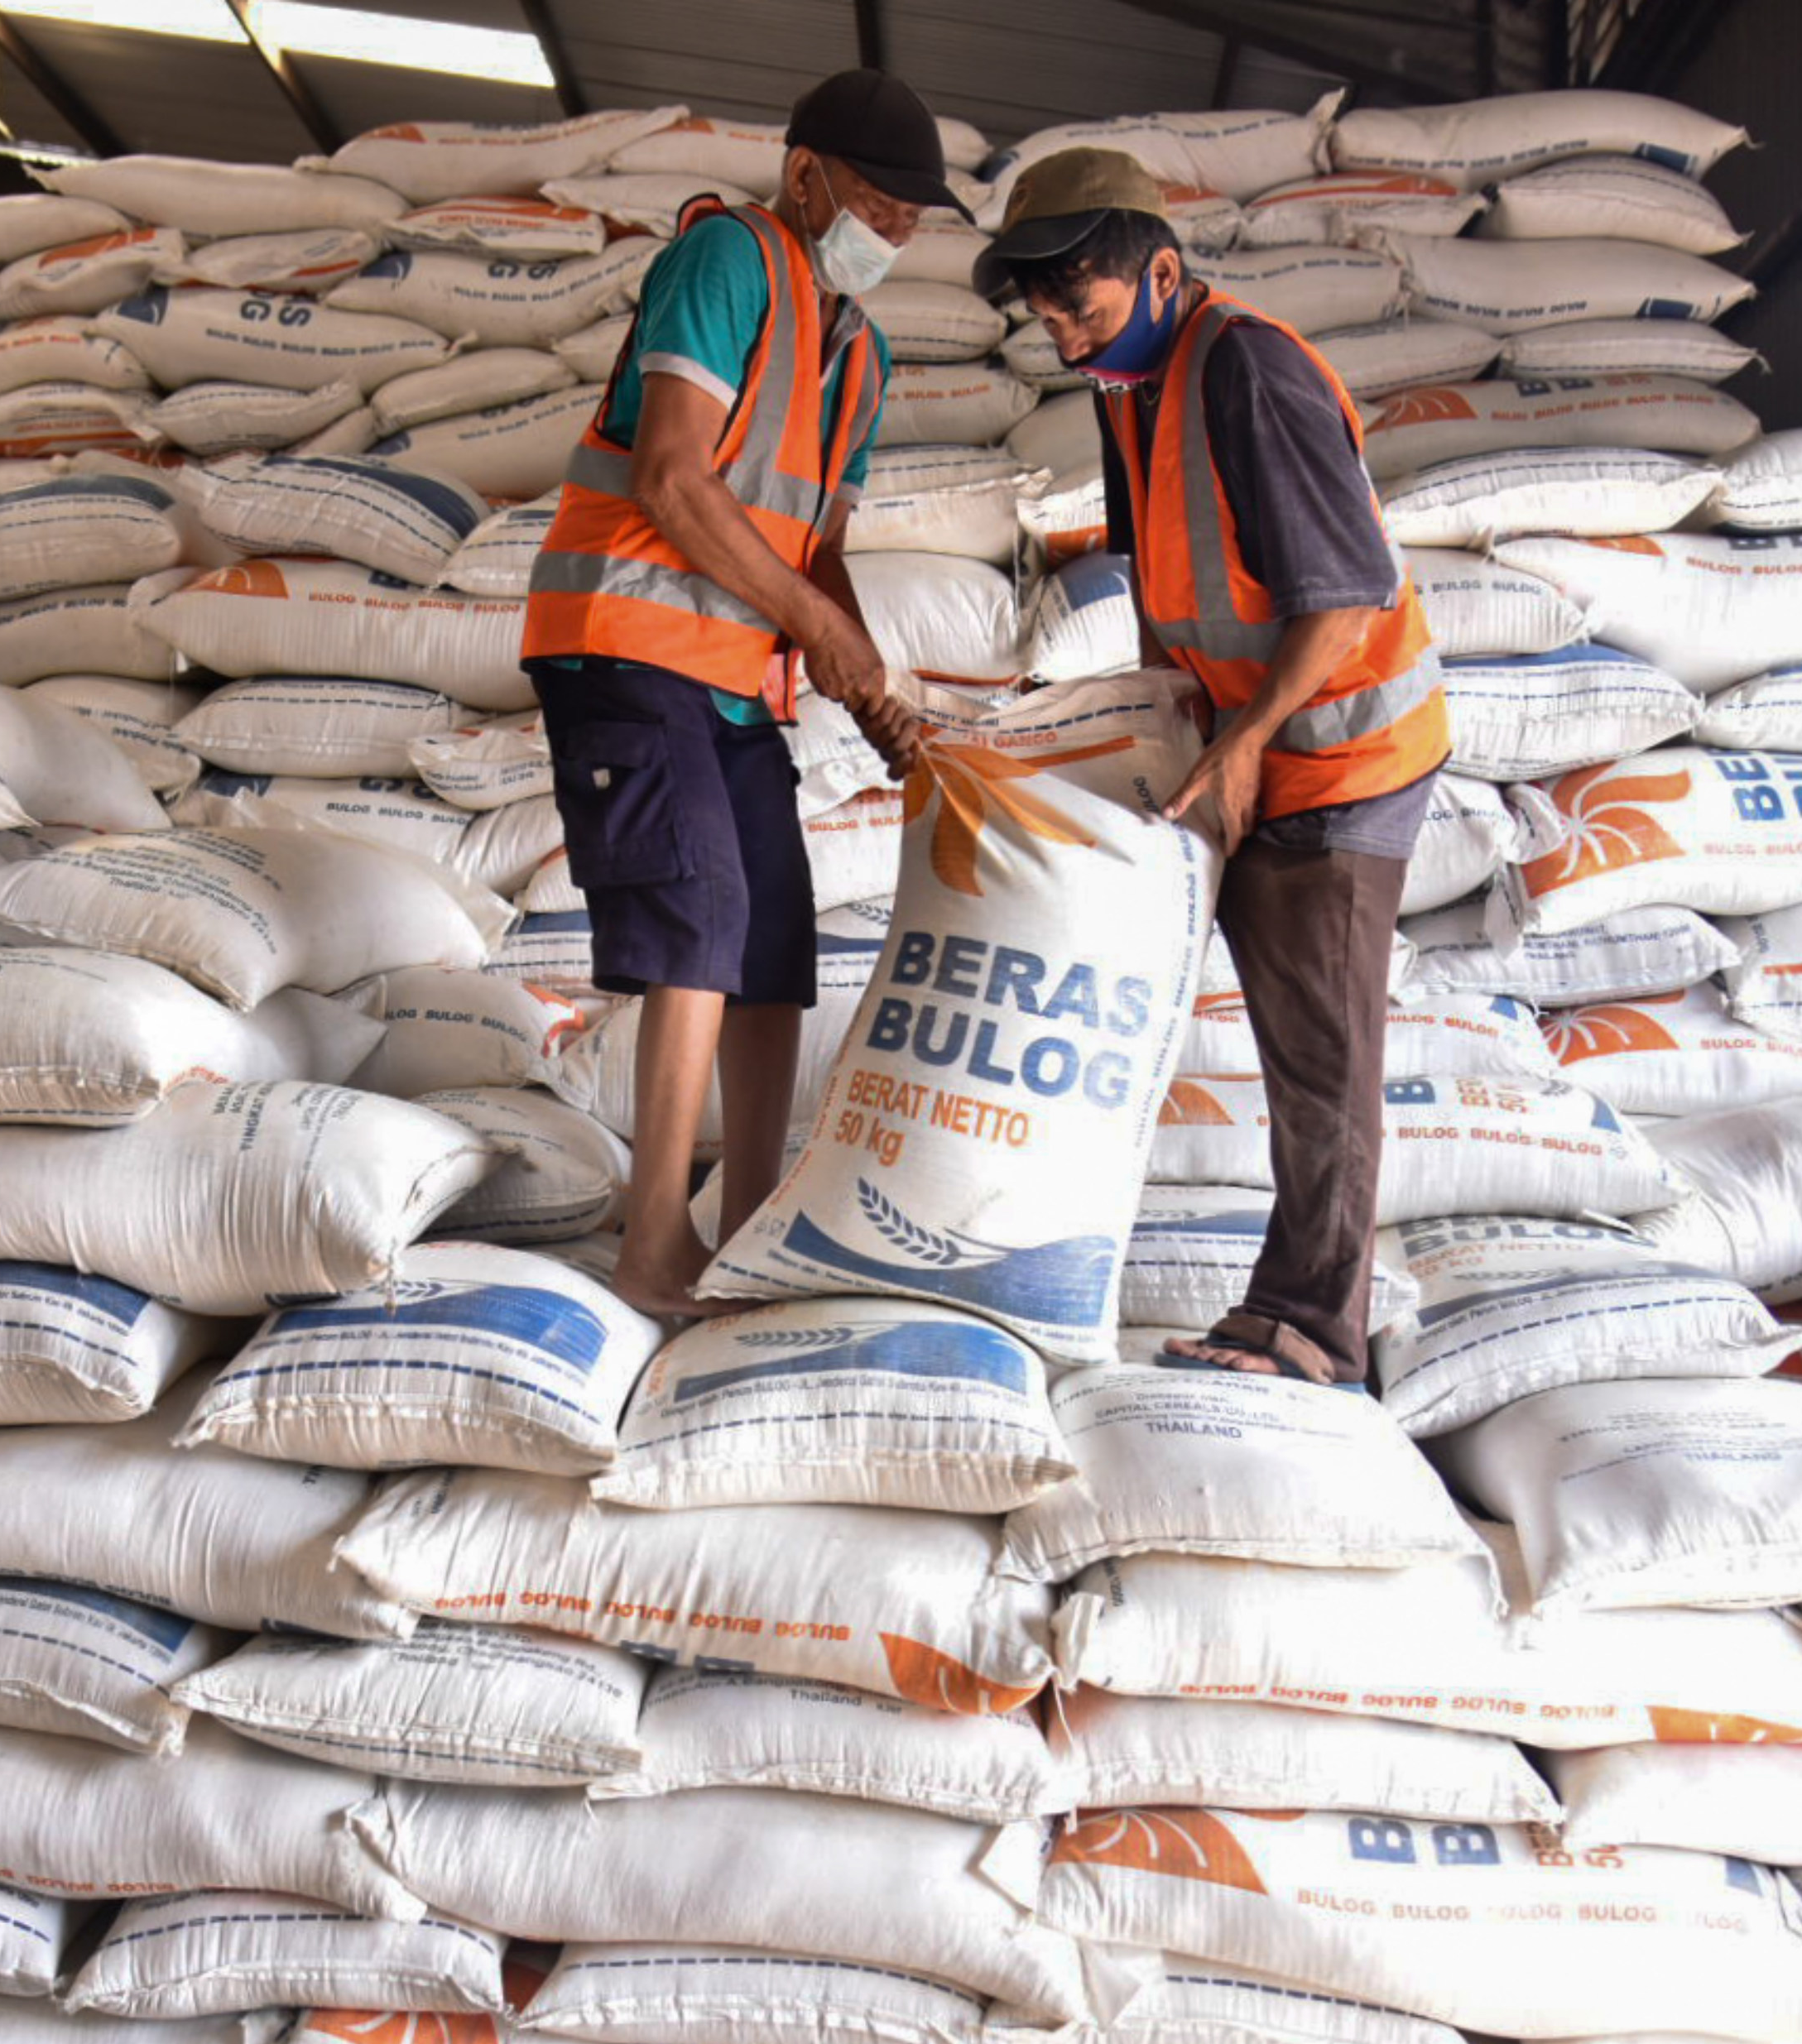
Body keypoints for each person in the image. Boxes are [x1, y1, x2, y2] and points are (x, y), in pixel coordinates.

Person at [974, 147, 1451, 1386]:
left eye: (1081, 307)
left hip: (1344, 752)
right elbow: (1166, 590)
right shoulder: (1132, 387)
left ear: (1162, 271)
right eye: (1048, 317)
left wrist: (1241, 746)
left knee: (1322, 1050)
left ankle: (1317, 1331)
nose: (1067, 339)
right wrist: (1165, 732)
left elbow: (1344, 597)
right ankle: (1286, 1301)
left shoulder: (1247, 364)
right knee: (1291, 1042)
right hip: (1253, 741)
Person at [520, 68, 962, 1319]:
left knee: (774, 942)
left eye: (917, 217)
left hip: (727, 681)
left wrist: (872, 681)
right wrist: (815, 623)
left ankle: (752, 1226)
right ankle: (655, 1241)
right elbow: (669, 476)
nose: (899, 231)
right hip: (623, 642)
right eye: (881, 200)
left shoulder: (861, 352)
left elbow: (817, 550)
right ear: (807, 174)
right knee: (705, 913)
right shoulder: (727, 261)